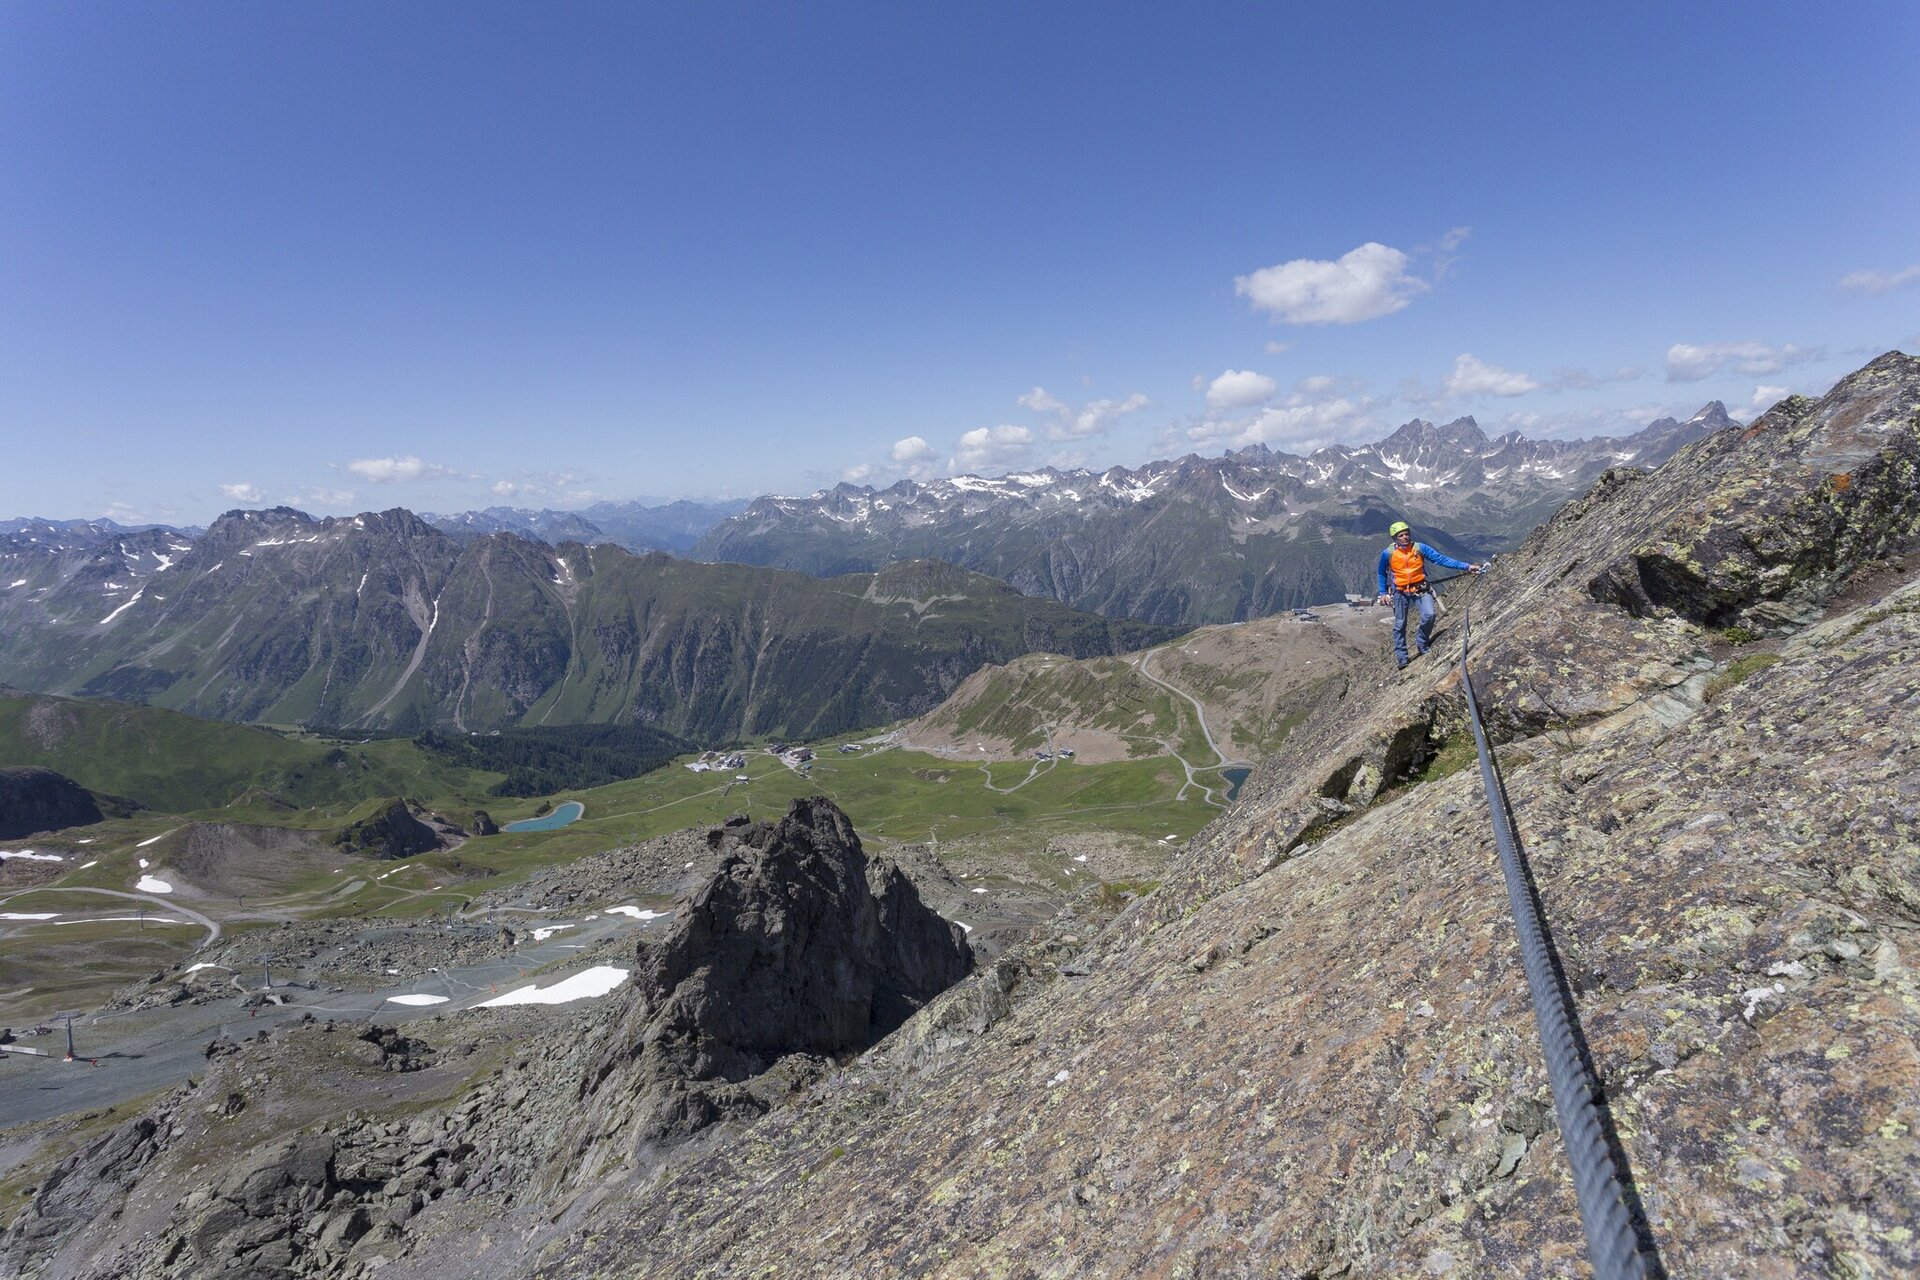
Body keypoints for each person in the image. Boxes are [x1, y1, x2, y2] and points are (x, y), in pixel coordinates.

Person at [1375, 521, 1482, 668]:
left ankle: (1422, 642)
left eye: (1406, 534)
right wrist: (1383, 592)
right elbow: (1381, 573)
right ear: (1395, 538)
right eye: (1401, 535)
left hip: (1420, 588)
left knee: (1430, 614)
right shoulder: (1388, 553)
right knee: (1400, 624)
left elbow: (1441, 559)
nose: (1405, 537)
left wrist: (1467, 566)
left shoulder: (1419, 548)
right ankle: (1402, 657)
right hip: (1400, 592)